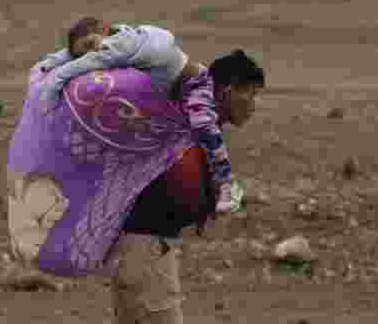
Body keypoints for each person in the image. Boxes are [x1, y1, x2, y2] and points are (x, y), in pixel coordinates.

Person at [21, 48, 265, 324]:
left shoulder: (192, 127)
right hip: (146, 242)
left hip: (135, 239)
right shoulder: (189, 126)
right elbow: (170, 185)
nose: (254, 104)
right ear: (228, 90)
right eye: (251, 94)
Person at [35, 17, 240, 215]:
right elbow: (81, 56)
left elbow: (89, 60)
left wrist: (54, 81)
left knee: (203, 124)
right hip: (167, 96)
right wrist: (49, 63)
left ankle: (227, 183)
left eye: (91, 44)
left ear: (105, 29)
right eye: (85, 51)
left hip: (195, 84)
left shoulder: (124, 43)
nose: (92, 52)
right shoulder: (117, 38)